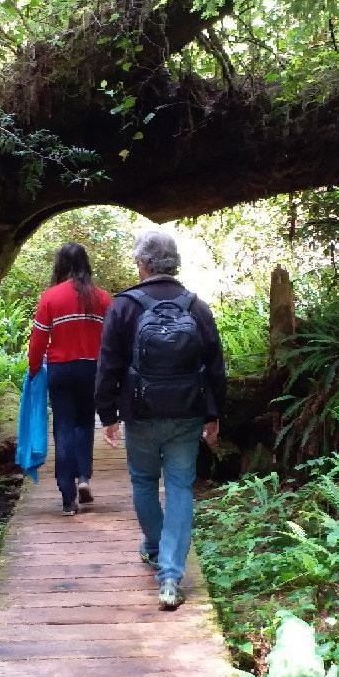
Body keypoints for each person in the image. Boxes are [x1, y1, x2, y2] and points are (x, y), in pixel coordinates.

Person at [95, 230, 226, 609]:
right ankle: (170, 576)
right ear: (175, 263)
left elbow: (108, 365)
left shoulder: (123, 306)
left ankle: (153, 546)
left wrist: (108, 415)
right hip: (187, 412)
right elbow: (215, 367)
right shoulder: (196, 307)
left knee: (143, 480)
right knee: (181, 486)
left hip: (141, 411)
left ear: (142, 263)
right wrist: (214, 414)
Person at [28, 243, 112, 516]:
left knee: (63, 427)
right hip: (92, 370)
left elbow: (39, 338)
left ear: (60, 264)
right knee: (85, 424)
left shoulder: (50, 297)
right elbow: (111, 339)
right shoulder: (101, 298)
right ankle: (84, 478)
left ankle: (67, 498)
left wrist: (32, 368)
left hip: (61, 370)